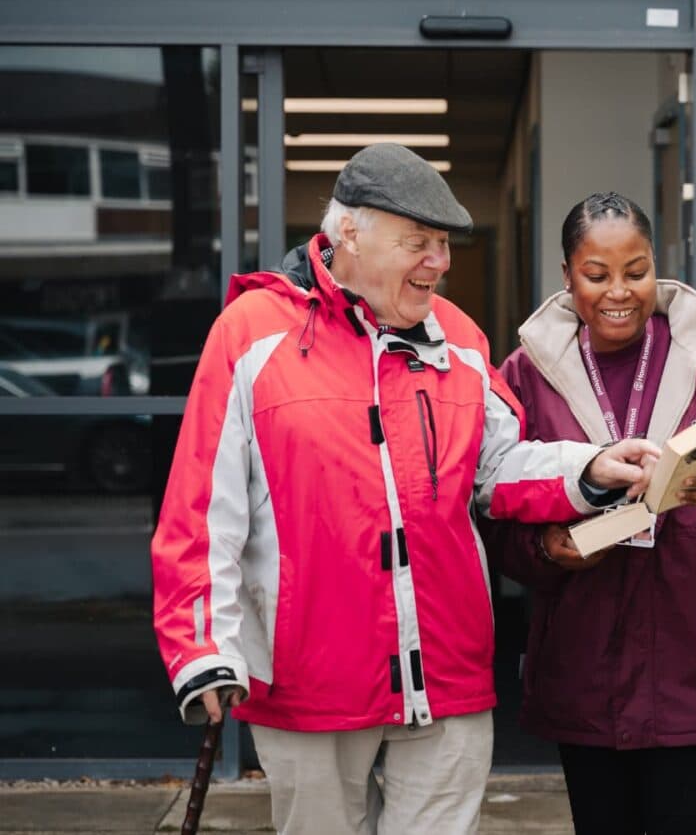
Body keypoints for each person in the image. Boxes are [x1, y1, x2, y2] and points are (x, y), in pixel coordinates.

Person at [150, 147, 660, 835]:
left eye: (444, 244)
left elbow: (498, 464)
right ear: (349, 236)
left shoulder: (460, 338)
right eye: (418, 242)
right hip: (310, 680)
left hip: (446, 676)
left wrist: (591, 469)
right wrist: (204, 648)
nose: (440, 262)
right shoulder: (250, 335)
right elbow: (204, 510)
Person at [486, 192, 696, 835]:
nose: (620, 292)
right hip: (583, 664)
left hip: (693, 662)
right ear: (566, 275)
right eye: (596, 274)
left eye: (636, 271)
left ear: (657, 266)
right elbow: (488, 505)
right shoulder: (524, 376)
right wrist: (547, 550)